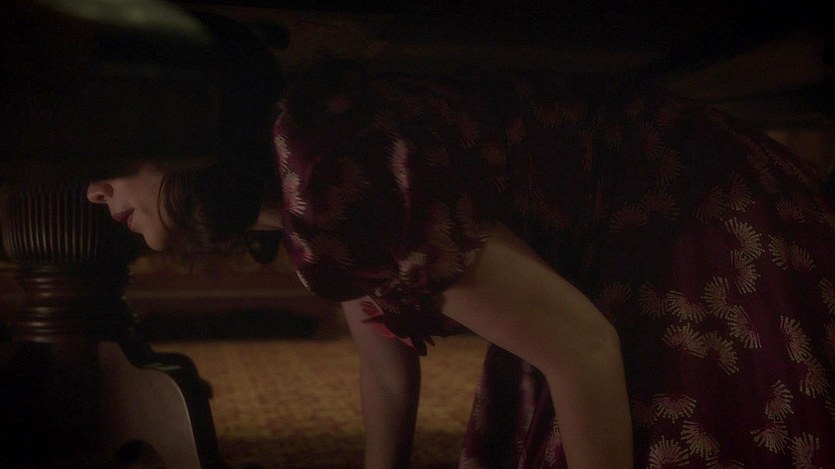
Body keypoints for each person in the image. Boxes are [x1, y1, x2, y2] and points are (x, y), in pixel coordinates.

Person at [86, 14, 835, 469]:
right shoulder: (307, 164)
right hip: (628, 217)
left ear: (193, 134)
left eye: (112, 161)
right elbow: (385, 368)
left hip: (691, 204)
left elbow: (584, 349)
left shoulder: (329, 171)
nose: (92, 190)